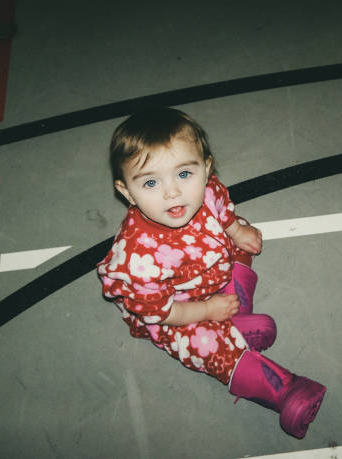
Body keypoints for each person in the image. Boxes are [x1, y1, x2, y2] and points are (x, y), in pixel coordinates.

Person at [97, 107, 326, 438]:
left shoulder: (205, 192)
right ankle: (283, 391)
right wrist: (206, 310)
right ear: (127, 192)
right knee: (203, 345)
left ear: (205, 169)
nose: (172, 192)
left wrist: (234, 230)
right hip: (170, 308)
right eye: (150, 182)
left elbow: (221, 206)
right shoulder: (137, 259)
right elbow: (160, 311)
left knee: (243, 235)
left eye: (184, 174)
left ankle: (235, 313)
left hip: (205, 266)